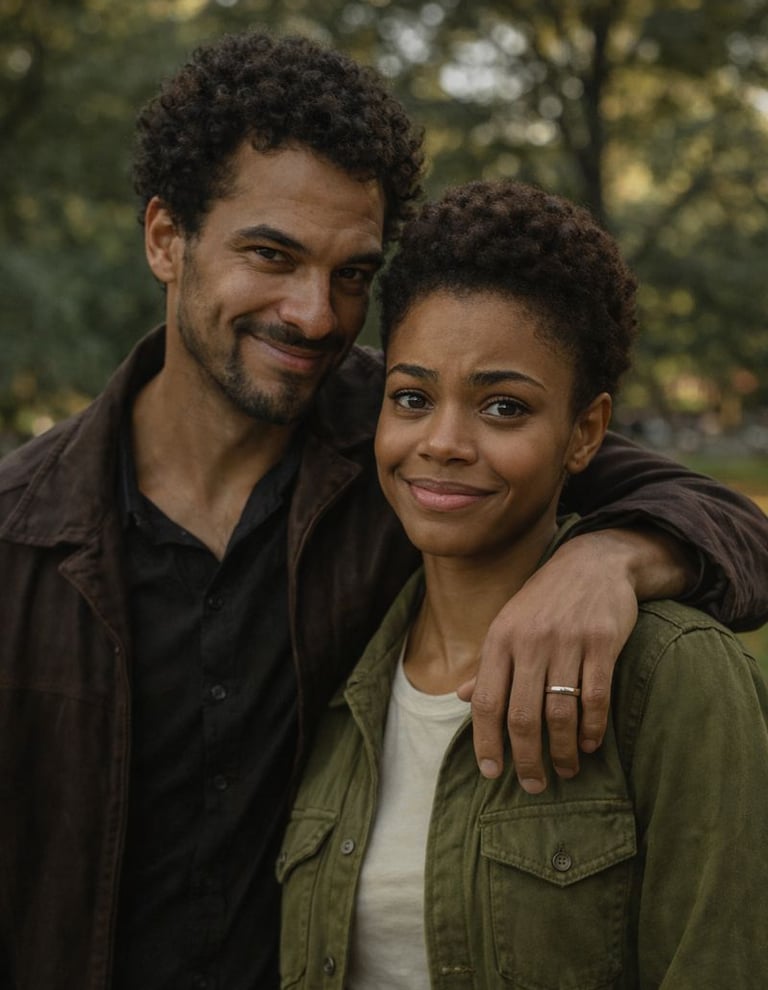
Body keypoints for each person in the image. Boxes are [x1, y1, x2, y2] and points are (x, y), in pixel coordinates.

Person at [0, 29, 766, 990]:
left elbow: (724, 519)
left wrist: (605, 563)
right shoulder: (18, 537)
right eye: (271, 254)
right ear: (166, 238)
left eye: (353, 274)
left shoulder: (404, 438)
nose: (315, 314)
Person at [278, 178, 768, 989]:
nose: (442, 441)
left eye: (503, 407)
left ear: (584, 433)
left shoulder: (677, 678)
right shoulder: (341, 685)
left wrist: (608, 556)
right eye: (411, 397)